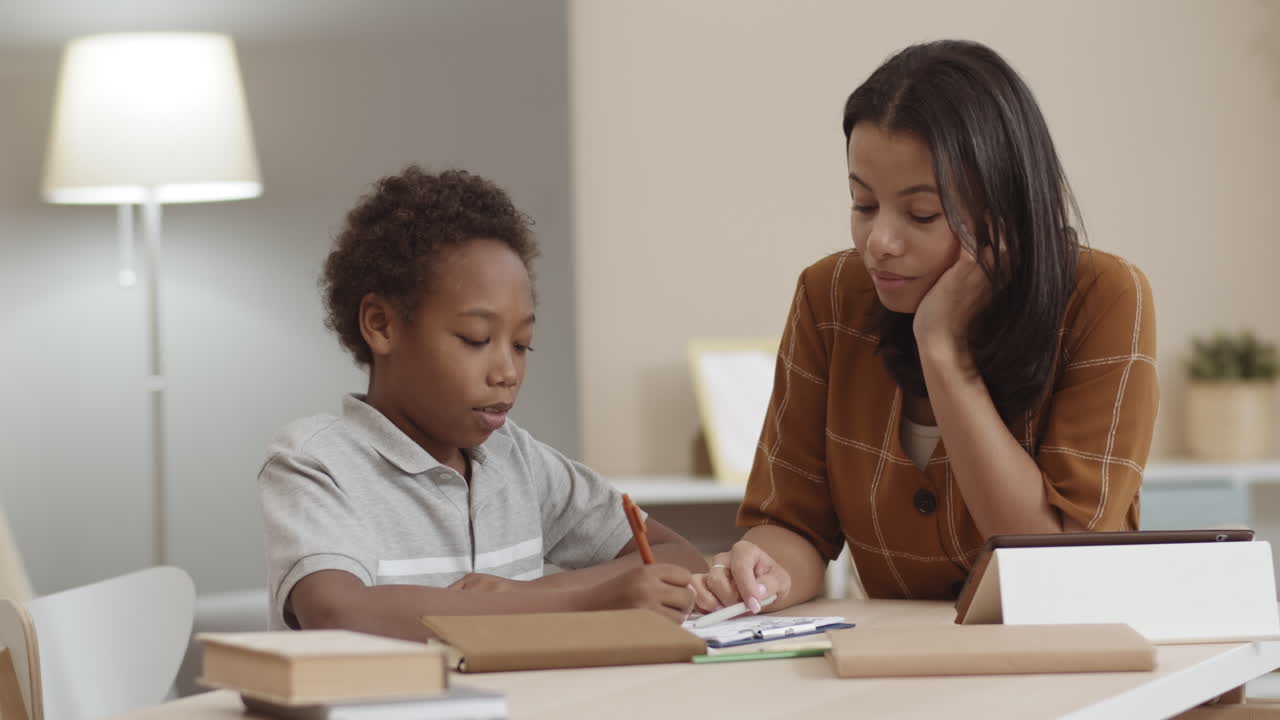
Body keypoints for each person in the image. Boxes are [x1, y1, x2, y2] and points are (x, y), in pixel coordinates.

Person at [692, 39, 1158, 615]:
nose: (879, 243)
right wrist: (758, 572)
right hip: (898, 672)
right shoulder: (829, 296)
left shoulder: (1104, 299)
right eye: (863, 205)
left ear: (1004, 211)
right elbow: (794, 526)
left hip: (1065, 661)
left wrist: (944, 352)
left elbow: (1052, 560)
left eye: (921, 214)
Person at [259, 166, 706, 640]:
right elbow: (339, 614)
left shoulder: (515, 461)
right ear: (381, 324)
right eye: (476, 339)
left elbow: (679, 558)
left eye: (521, 345)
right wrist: (581, 602)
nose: (507, 372)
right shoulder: (315, 462)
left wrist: (526, 597)